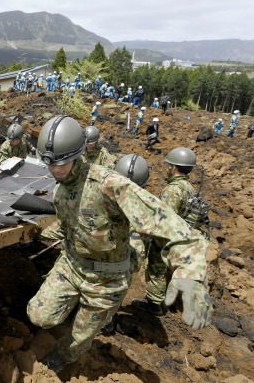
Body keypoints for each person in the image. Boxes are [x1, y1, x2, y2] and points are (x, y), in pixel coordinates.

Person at [27, 116, 211, 372]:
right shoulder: (60, 187)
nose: (56, 170)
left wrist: (191, 271)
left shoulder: (109, 184)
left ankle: (64, 354)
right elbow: (70, 224)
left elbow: (168, 223)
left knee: (79, 338)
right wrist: (36, 234)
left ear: (78, 154)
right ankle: (74, 313)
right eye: (50, 163)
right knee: (38, 316)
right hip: (70, 266)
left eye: (62, 161)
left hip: (105, 280)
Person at [132, 147, 202, 316]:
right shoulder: (189, 188)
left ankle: (154, 303)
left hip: (167, 238)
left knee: (156, 267)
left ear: (174, 167)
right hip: (180, 236)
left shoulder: (173, 190)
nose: (167, 168)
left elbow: (163, 218)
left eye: (169, 165)